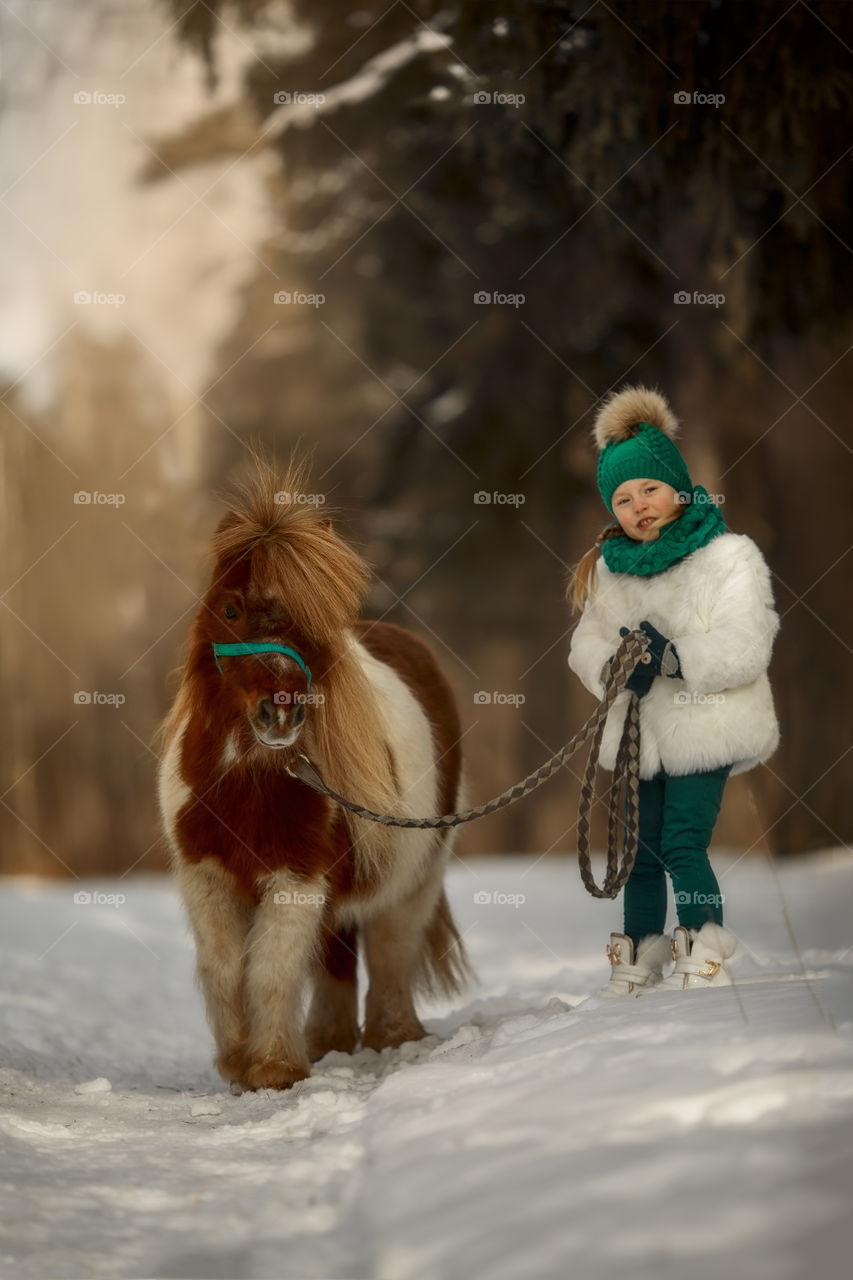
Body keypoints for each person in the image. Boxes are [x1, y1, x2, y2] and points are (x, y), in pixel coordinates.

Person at [567, 385, 781, 996]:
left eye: (650, 489)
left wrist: (673, 658)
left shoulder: (730, 557)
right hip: (640, 735)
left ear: (679, 487)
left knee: (682, 841)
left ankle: (703, 936)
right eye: (624, 498)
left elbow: (748, 642)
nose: (639, 506)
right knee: (635, 850)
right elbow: (584, 643)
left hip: (705, 726)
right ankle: (638, 949)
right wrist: (614, 666)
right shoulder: (611, 570)